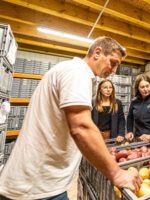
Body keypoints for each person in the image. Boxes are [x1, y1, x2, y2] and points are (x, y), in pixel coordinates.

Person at [0, 37, 141, 200]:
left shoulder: (75, 72)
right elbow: (81, 127)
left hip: (45, 182)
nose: (115, 70)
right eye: (113, 62)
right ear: (97, 53)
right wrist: (116, 174)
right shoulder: (77, 73)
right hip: (36, 186)